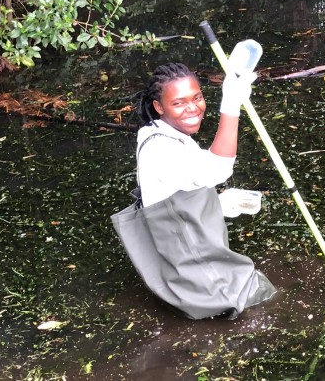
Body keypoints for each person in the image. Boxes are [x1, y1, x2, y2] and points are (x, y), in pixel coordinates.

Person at [111, 62, 277, 320]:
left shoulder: (156, 132)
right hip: (204, 284)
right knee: (269, 301)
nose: (192, 108)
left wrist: (218, 203)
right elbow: (218, 170)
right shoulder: (161, 150)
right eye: (178, 103)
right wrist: (231, 104)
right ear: (158, 106)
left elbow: (177, 193)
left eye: (197, 97)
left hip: (185, 270)